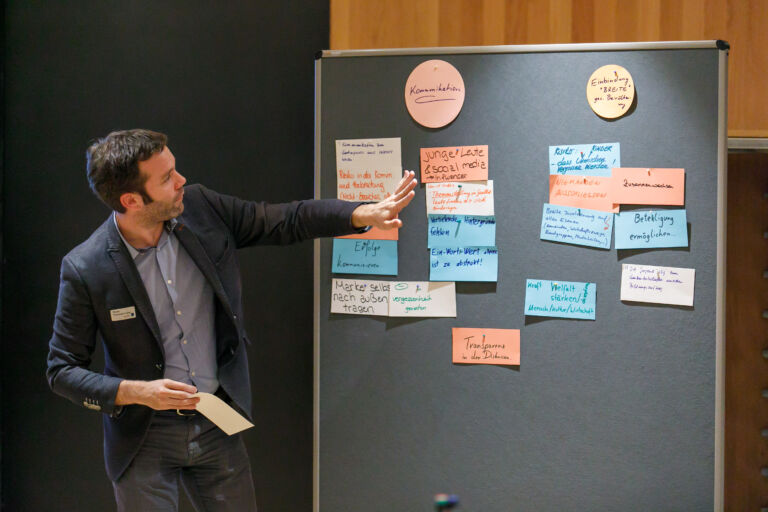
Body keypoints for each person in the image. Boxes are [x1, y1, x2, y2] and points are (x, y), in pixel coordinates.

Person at [46, 129, 417, 511]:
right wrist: (138, 392)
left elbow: (284, 219)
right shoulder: (86, 267)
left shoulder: (201, 208)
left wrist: (362, 213)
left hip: (215, 421)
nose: (181, 181)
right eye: (167, 178)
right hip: (143, 437)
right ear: (131, 200)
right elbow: (62, 370)